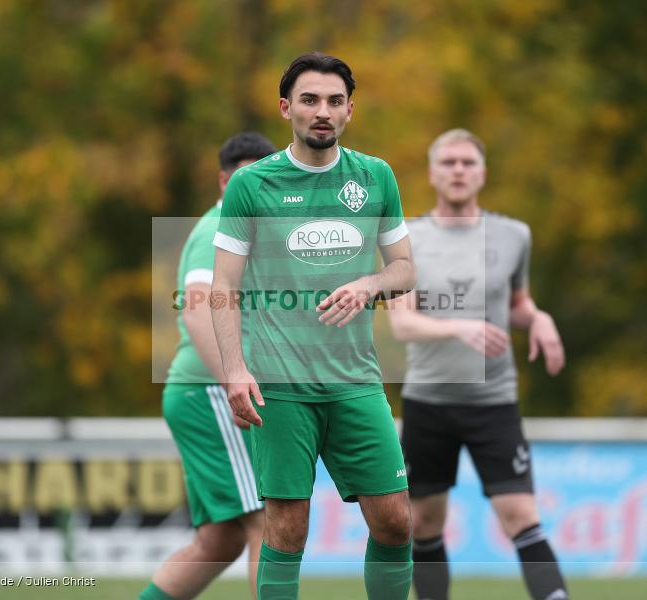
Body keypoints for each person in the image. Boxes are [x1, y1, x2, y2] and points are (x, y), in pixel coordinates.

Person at [210, 52, 416, 600]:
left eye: (334, 101)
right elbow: (223, 287)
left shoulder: (375, 176)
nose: (322, 111)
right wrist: (233, 370)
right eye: (309, 100)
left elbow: (405, 269)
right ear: (286, 109)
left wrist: (368, 285)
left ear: (350, 110)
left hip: (355, 382)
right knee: (287, 529)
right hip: (279, 386)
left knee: (396, 521)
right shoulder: (253, 185)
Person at [387, 129, 569, 600]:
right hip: (428, 400)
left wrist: (539, 318)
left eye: (467, 162)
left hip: (494, 401)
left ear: (482, 172)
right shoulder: (404, 240)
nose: (458, 171)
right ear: (432, 173)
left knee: (521, 515)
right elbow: (402, 325)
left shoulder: (514, 235)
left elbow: (516, 303)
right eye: (448, 163)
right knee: (424, 522)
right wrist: (457, 327)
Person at [138, 132, 276, 600]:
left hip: (204, 393)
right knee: (268, 521)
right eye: (244, 176)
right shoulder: (219, 227)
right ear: (223, 180)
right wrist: (233, 381)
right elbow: (195, 310)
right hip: (212, 392)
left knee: (219, 542)